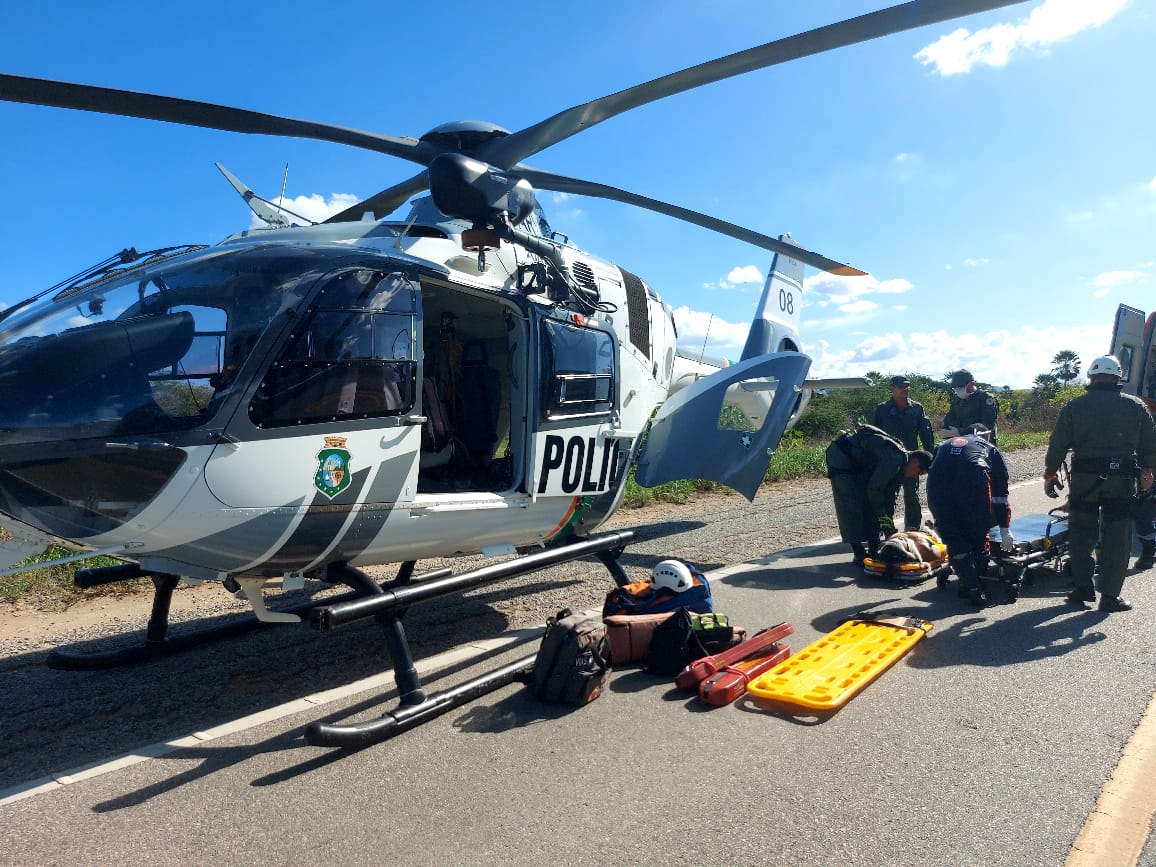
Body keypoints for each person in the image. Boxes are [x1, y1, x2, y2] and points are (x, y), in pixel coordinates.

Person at [1044, 355, 1156, 612]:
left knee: (1082, 532)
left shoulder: (1075, 407)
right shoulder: (1136, 407)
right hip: (1122, 480)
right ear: (1118, 377)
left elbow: (1058, 443)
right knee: (1117, 537)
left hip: (1085, 480)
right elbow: (1150, 445)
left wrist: (1050, 474)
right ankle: (1110, 597)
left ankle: (1082, 588)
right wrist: (1149, 471)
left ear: (1092, 377)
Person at [926, 424, 1013, 606]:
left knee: (953, 533)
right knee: (978, 533)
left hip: (936, 486)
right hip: (972, 480)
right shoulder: (990, 449)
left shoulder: (944, 445)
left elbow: (933, 470)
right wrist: (1004, 528)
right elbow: (1000, 495)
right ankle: (975, 586)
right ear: (985, 434)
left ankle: (970, 585)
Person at [825, 423, 933, 567]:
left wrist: (888, 527)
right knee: (850, 501)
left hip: (857, 461)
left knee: (872, 502)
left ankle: (874, 545)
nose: (916, 476)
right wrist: (885, 524)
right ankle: (858, 552)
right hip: (841, 456)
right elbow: (874, 491)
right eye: (919, 472)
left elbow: (889, 498)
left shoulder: (901, 468)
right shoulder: (894, 460)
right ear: (915, 462)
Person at [873, 375, 935, 530]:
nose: (905, 389)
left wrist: (930, 457)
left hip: (911, 460)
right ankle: (886, 528)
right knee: (887, 495)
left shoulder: (916, 408)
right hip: (888, 460)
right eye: (901, 387)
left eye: (907, 386)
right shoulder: (882, 409)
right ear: (891, 389)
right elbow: (875, 435)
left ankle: (912, 527)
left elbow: (926, 433)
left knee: (911, 495)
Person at [939, 369, 999, 444]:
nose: (957, 390)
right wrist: (945, 431)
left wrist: (959, 432)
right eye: (955, 388)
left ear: (971, 384)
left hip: (982, 444)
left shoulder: (985, 399)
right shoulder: (957, 400)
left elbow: (987, 426)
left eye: (960, 387)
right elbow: (949, 421)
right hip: (960, 444)